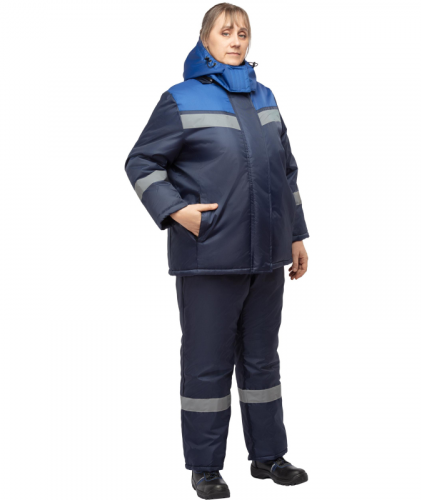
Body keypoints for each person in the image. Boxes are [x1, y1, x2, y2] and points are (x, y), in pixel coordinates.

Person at [124, 3, 309, 498]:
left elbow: (286, 172)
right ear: (205, 38)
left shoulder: (266, 96)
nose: (235, 41)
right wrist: (176, 211)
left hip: (267, 256)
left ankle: (269, 456)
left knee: (263, 360)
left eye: (243, 33)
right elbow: (140, 162)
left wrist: (296, 234)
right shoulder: (180, 98)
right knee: (207, 364)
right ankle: (205, 466)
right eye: (226, 32)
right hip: (209, 256)